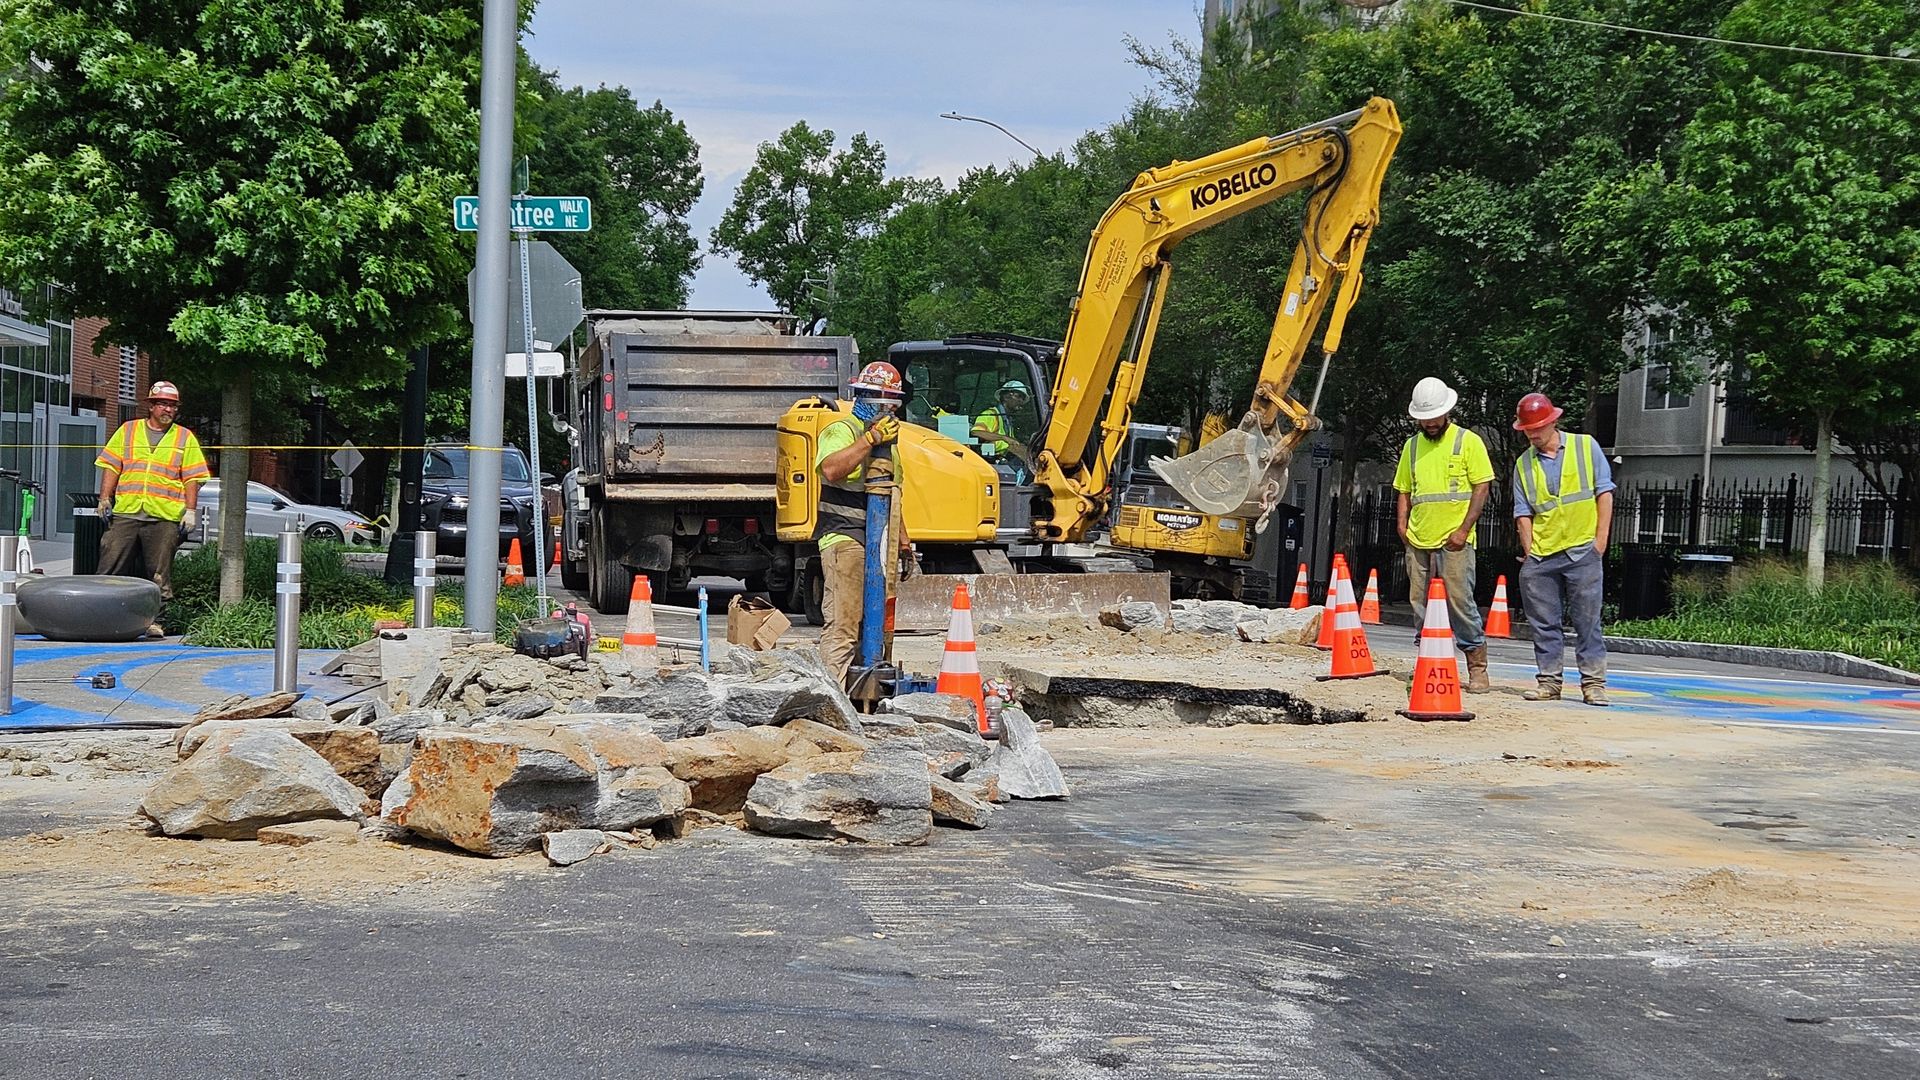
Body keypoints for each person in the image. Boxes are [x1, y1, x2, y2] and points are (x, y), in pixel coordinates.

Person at [1511, 391, 1615, 706]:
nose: (1531, 434)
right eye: (1527, 430)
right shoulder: (1523, 464)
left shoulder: (1586, 447)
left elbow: (1604, 493)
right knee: (1544, 624)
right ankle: (1549, 682)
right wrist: (1530, 552)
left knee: (1587, 621)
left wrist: (1600, 541)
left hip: (1582, 550)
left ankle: (1593, 684)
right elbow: (1523, 512)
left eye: (1536, 428)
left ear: (1553, 421)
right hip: (1543, 555)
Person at [1392, 376, 1495, 692]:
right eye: (1424, 419)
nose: (1430, 423)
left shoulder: (1468, 442)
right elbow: (1404, 490)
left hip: (1455, 539)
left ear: (1447, 411)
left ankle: (1477, 668)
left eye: (1434, 417)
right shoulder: (1411, 447)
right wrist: (1402, 524)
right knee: (1420, 604)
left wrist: (1464, 529)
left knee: (1460, 601)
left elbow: (1482, 486)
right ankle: (1430, 663)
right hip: (1419, 537)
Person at [814, 361, 909, 680]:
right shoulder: (842, 431)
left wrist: (904, 545)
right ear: (861, 397)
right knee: (844, 625)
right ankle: (831, 702)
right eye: (877, 400)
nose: (885, 408)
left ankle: (863, 697)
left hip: (877, 545)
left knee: (874, 626)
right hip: (844, 539)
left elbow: (893, 497)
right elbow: (830, 469)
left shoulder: (890, 448)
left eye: (890, 402)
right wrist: (869, 439)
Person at [96, 381, 211, 636]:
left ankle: (157, 622)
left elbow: (193, 477)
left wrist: (190, 511)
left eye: (172, 405)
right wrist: (105, 498)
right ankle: (103, 616)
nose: (168, 410)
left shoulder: (184, 437)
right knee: (110, 566)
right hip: (127, 511)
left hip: (164, 516)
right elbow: (111, 465)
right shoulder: (128, 431)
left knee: (159, 574)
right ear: (151, 406)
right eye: (163, 404)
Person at [971, 380, 1034, 466]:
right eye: (1018, 396)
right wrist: (1003, 438)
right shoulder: (990, 414)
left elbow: (1011, 444)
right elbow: (976, 432)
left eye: (1022, 398)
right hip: (990, 461)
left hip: (1004, 460)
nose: (1021, 401)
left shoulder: (1007, 419)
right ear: (1006, 397)